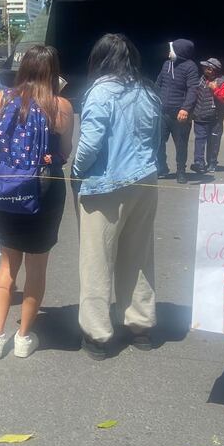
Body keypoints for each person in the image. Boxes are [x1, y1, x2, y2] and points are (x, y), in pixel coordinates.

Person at [72, 34, 162, 360]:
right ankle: (141, 325)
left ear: (99, 59)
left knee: (97, 259)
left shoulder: (100, 92)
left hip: (105, 185)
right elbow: (156, 138)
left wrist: (77, 171)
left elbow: (90, 143)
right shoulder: (147, 91)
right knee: (138, 255)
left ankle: (97, 333)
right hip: (145, 180)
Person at [0, 45, 74, 359]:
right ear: (54, 72)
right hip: (44, 188)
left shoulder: (2, 98)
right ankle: (23, 337)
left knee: (8, 264)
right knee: (37, 265)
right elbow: (65, 150)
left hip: (6, 186)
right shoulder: (61, 105)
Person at [155, 39, 199, 184]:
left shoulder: (190, 67)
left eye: (172, 49)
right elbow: (158, 84)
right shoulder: (166, 64)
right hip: (163, 112)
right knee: (158, 142)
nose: (169, 52)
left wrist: (185, 108)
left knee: (181, 145)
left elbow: (193, 89)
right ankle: (162, 167)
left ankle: (181, 171)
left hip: (180, 115)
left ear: (179, 51)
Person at [190, 58, 224, 175]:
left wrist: (215, 89)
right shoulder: (201, 80)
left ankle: (212, 162)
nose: (204, 69)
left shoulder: (223, 82)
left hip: (215, 118)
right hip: (200, 116)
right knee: (199, 140)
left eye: (207, 67)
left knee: (213, 142)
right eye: (204, 67)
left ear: (213, 69)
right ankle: (199, 163)